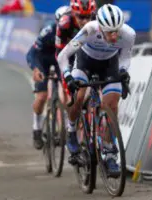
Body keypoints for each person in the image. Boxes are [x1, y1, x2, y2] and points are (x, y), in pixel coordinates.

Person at [57, 4, 135, 174]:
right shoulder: (89, 30)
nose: (114, 35)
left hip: (109, 64)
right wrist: (68, 76)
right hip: (85, 62)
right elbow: (63, 55)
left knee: (112, 106)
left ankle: (109, 153)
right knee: (78, 97)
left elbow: (125, 58)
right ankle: (71, 130)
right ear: (100, 26)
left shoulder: (128, 34)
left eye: (117, 30)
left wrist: (123, 72)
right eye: (109, 31)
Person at [26, 5, 70, 150]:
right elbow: (32, 53)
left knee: (68, 94)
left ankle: (67, 128)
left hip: (60, 58)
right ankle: (37, 128)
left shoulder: (74, 31)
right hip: (43, 58)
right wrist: (36, 69)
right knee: (42, 97)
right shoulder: (48, 31)